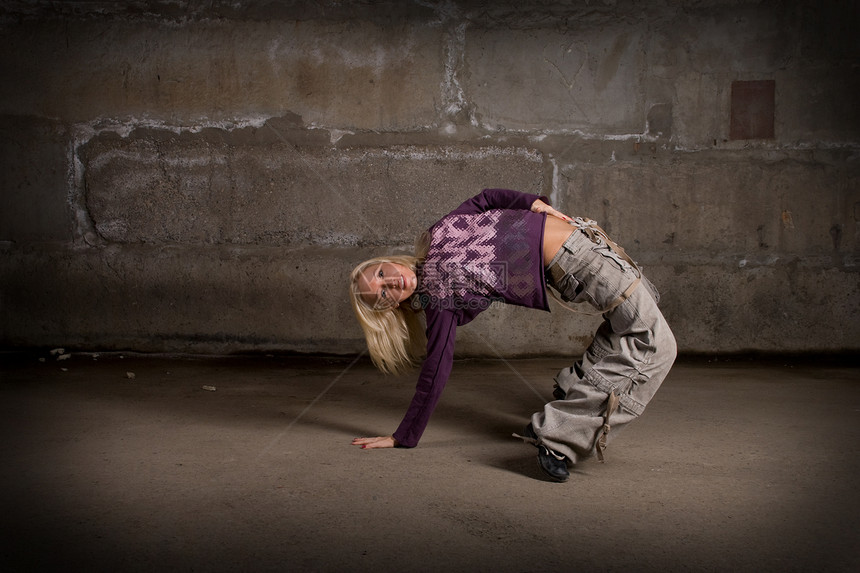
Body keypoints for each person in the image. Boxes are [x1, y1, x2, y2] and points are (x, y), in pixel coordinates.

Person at [349, 188, 676, 482]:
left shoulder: (437, 234)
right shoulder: (438, 291)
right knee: (657, 344)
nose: (389, 284)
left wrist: (531, 203)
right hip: (576, 260)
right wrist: (404, 435)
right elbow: (435, 370)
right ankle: (557, 440)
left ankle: (573, 385)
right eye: (380, 295)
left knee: (636, 318)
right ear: (390, 308)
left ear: (388, 262)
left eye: (380, 274)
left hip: (587, 238)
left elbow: (486, 199)